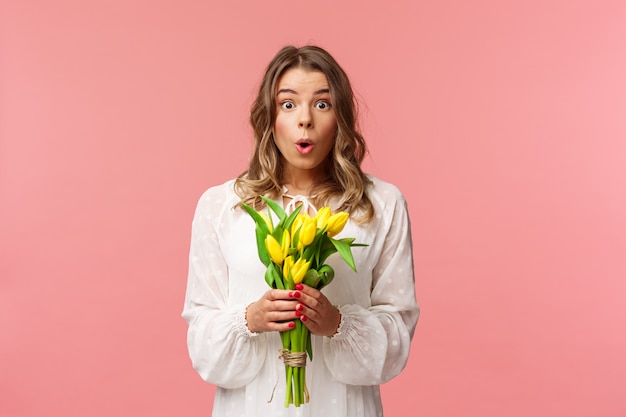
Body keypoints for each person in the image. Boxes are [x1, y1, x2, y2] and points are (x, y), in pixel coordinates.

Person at [182, 45, 419, 417]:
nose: (304, 119)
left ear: (340, 117)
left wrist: (337, 323)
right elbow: (202, 344)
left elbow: (398, 336)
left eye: (322, 104)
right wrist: (250, 319)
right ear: (269, 117)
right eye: (288, 104)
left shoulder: (380, 204)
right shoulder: (222, 206)